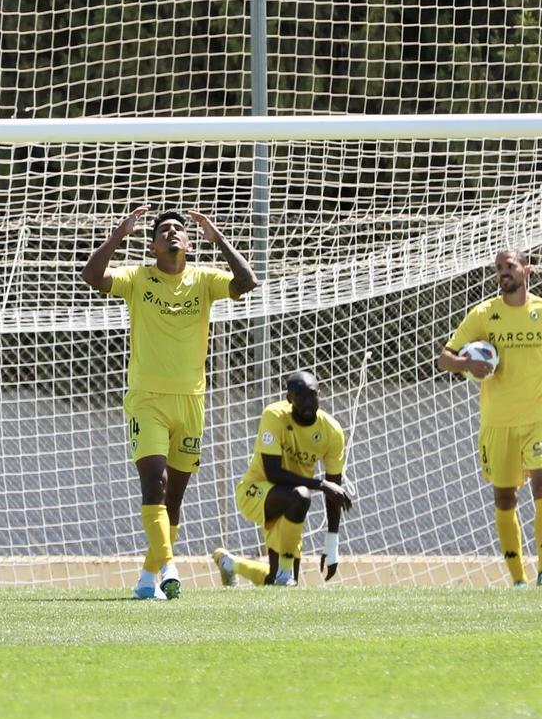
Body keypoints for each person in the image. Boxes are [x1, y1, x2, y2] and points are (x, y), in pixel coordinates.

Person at [82, 205, 258, 599]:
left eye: (179, 229)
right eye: (164, 231)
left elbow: (247, 282)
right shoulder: (138, 278)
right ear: (152, 247)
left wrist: (220, 240)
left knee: (174, 497)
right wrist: (117, 235)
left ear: (190, 244)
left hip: (191, 401)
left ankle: (147, 580)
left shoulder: (205, 280)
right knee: (154, 484)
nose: (172, 233)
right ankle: (170, 566)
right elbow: (92, 276)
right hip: (147, 398)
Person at [437, 249, 542, 587]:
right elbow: (444, 358)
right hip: (497, 424)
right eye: (499, 268)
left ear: (525, 270)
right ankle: (518, 580)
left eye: (510, 266)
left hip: (539, 420)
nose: (503, 272)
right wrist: (466, 365)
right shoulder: (484, 315)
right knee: (505, 497)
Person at [214, 371, 353, 587]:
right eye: (300, 396)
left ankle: (231, 564)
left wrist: (331, 544)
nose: (308, 402)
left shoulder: (332, 432)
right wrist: (321, 485)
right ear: (290, 399)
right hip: (256, 491)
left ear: (320, 394)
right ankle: (284, 570)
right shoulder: (274, 416)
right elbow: (273, 473)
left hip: (293, 505)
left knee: (278, 582)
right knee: (300, 494)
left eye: (312, 395)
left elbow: (335, 492)